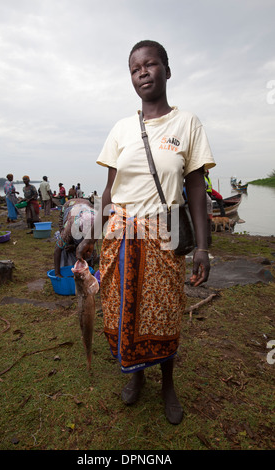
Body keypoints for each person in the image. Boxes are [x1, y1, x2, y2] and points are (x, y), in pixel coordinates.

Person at [76, 40, 216, 425]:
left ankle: (167, 383)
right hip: (120, 231)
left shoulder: (187, 123)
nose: (142, 72)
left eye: (150, 64)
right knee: (125, 310)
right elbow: (108, 190)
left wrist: (202, 247)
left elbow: (196, 189)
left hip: (166, 229)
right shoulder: (121, 128)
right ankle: (135, 376)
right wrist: (94, 234)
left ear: (166, 71)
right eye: (134, 67)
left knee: (166, 311)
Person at [54, 198, 97, 276]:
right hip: (68, 207)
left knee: (87, 246)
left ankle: (88, 268)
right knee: (65, 246)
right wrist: (57, 274)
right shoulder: (71, 225)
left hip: (85, 206)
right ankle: (66, 266)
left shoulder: (96, 223)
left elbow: (92, 245)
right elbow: (57, 249)